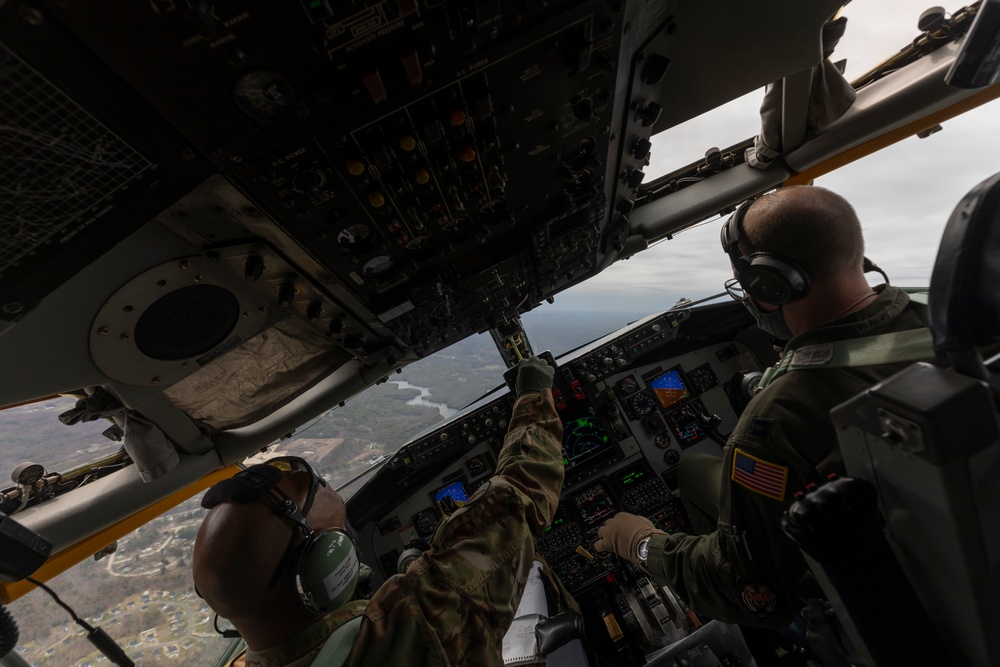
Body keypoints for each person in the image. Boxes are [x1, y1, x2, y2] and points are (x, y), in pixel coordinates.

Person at [594, 185, 929, 629]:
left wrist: (638, 541)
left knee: (693, 465)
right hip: (932, 543)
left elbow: (747, 592)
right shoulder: (950, 318)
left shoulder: (773, 426)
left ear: (768, 281)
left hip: (892, 608)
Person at [192, 356, 567, 666]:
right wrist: (534, 391)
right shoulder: (418, 623)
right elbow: (522, 494)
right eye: (316, 485)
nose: (324, 483)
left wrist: (408, 565)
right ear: (324, 565)